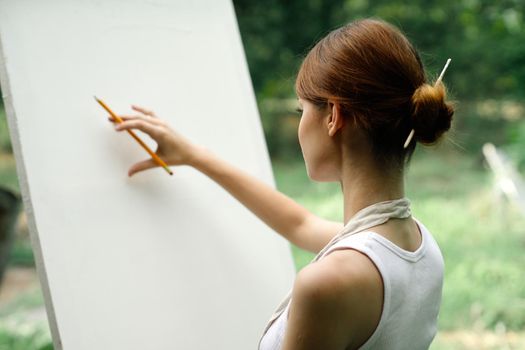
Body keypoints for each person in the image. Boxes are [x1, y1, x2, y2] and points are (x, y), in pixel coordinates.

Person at [110, 18, 453, 350]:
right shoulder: (420, 248)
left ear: (333, 116)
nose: (299, 124)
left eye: (301, 109)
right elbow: (300, 224)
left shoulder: (329, 284)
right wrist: (195, 155)